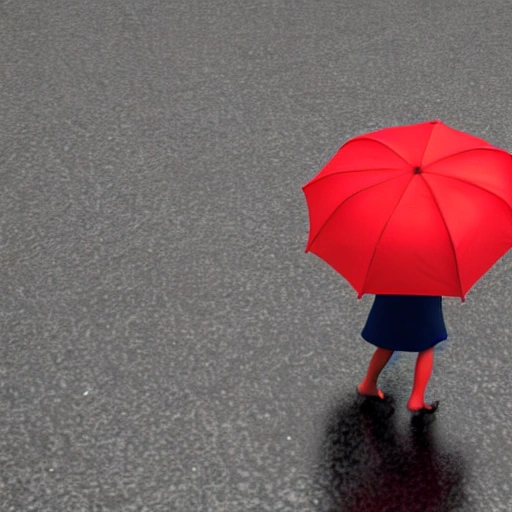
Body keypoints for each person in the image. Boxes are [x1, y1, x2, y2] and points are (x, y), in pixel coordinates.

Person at [356, 295, 447, 414]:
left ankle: (368, 384)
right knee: (427, 344)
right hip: (425, 294)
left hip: (392, 291)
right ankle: (417, 399)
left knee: (388, 340)